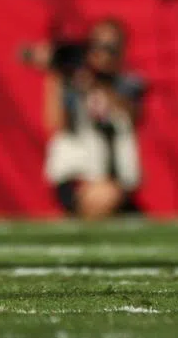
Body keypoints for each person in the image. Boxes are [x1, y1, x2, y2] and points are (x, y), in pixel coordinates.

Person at [20, 19, 147, 219]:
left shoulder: (129, 83)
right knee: (105, 197)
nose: (103, 54)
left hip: (116, 183)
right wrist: (57, 72)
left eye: (110, 48)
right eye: (97, 46)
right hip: (78, 177)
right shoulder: (71, 82)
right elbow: (55, 122)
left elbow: (131, 114)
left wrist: (93, 84)